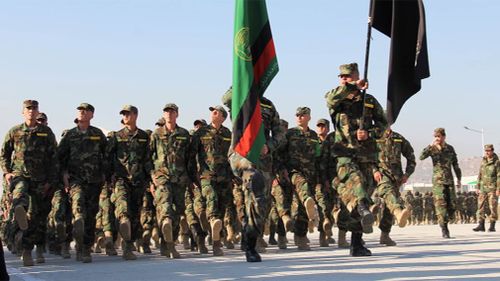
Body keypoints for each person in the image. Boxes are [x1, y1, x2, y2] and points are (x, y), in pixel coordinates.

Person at [325, 63, 387, 256]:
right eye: (342, 77)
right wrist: (354, 87)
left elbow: (384, 125)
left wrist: (368, 133)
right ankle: (361, 207)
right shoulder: (336, 99)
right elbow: (331, 99)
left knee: (363, 197)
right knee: (357, 185)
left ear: (357, 76)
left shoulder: (369, 101)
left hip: (365, 155)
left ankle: (356, 243)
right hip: (344, 153)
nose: (344, 79)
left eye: (349, 76)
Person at [222, 87, 286, 262]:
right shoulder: (239, 100)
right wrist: (239, 82)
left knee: (260, 203)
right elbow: (226, 99)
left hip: (263, 159)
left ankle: (250, 239)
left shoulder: (268, 105)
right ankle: (249, 244)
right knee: (253, 184)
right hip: (241, 155)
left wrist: (270, 145)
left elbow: (280, 132)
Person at [0, 100, 58, 266]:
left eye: (34, 108)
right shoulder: (15, 131)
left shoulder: (46, 132)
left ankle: (29, 250)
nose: (31, 111)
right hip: (20, 175)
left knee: (37, 217)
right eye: (28, 109)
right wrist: (7, 172)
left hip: (40, 180)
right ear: (23, 112)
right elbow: (4, 153)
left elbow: (54, 158)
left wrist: (51, 181)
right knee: (19, 194)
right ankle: (20, 208)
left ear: (38, 110)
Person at [58, 103, 108, 262]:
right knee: (78, 208)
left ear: (91, 115)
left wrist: (105, 175)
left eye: (85, 111)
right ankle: (78, 233)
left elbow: (106, 156)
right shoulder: (70, 135)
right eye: (80, 110)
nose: (82, 112)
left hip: (94, 181)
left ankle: (85, 248)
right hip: (75, 179)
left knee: (91, 215)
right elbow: (60, 158)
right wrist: (64, 174)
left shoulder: (98, 134)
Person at [106, 105, 153, 260]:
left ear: (135, 115)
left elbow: (148, 160)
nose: (125, 116)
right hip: (121, 179)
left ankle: (128, 246)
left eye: (128, 114)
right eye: (124, 114)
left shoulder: (144, 137)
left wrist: (150, 179)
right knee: (123, 209)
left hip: (139, 181)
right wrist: (109, 177)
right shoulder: (117, 136)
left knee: (135, 214)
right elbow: (107, 158)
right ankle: (124, 239)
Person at [188, 106, 234, 256]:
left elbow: (232, 156)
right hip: (206, 176)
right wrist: (191, 176)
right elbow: (191, 155)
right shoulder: (201, 133)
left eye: (216, 112)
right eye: (212, 111)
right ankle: (211, 224)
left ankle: (216, 243)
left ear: (223, 117)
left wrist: (233, 176)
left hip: (224, 177)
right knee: (211, 199)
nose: (212, 114)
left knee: (221, 209)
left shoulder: (228, 133)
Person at [150, 103, 192, 259]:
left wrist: (191, 179)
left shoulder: (184, 134)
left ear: (177, 114)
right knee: (166, 208)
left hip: (180, 179)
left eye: (172, 111)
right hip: (162, 178)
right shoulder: (156, 134)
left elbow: (190, 159)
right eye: (166, 111)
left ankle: (167, 243)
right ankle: (170, 245)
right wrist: (152, 178)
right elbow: (149, 158)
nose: (169, 114)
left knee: (177, 212)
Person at [284, 107, 326, 250]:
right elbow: (281, 152)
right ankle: (308, 199)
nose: (300, 117)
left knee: (301, 207)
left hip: (311, 173)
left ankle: (301, 235)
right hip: (294, 171)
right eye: (297, 115)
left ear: (309, 117)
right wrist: (281, 170)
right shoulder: (290, 133)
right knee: (304, 192)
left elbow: (318, 155)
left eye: (303, 115)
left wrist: (320, 175)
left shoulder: (314, 135)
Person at [419, 128, 461, 238]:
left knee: (452, 205)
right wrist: (430, 145)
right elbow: (421, 156)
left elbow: (455, 165)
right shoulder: (432, 148)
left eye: (439, 136)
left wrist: (459, 179)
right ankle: (444, 228)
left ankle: (448, 219)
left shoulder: (450, 149)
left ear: (444, 136)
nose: (437, 138)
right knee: (440, 205)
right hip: (438, 182)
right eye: (435, 136)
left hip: (449, 181)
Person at [473, 144, 499, 232]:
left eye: (489, 150)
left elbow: (499, 176)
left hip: (493, 188)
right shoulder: (483, 161)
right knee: (480, 206)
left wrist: (498, 188)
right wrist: (477, 187)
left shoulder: (496, 162)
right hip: (483, 188)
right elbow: (480, 174)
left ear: (492, 150)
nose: (487, 152)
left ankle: (492, 225)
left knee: (493, 207)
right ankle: (481, 225)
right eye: (486, 151)